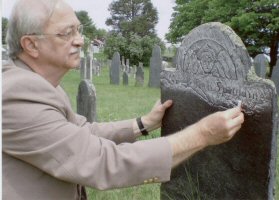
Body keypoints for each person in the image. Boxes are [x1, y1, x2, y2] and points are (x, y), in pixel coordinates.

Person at [2, 0, 244, 199]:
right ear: (31, 44)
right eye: (66, 33)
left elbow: (82, 132)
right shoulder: (17, 96)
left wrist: (143, 123)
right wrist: (201, 134)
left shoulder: (39, 85)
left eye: (78, 29)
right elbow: (100, 161)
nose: (79, 40)